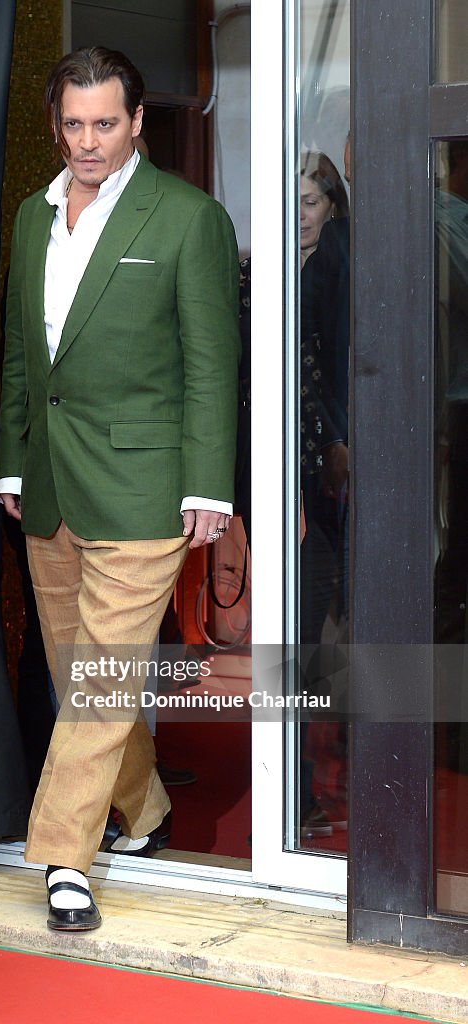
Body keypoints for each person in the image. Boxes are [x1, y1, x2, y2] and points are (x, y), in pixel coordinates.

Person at [0, 46, 240, 931]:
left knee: (98, 685)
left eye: (105, 123)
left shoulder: (187, 218)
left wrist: (209, 483)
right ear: (56, 124)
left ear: (138, 121)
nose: (87, 142)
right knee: (83, 677)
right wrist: (14, 461)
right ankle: (146, 810)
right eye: (72, 124)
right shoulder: (33, 216)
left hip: (146, 486)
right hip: (51, 484)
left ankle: (65, 855)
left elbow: (213, 363)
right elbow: (28, 355)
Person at [298, 147, 350, 840]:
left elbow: (344, 362)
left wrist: (340, 444)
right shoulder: (287, 264)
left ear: (332, 206)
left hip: (328, 459)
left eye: (309, 202)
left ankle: (317, 780)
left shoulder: (336, 262)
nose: (300, 216)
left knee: (323, 602)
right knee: (310, 615)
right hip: (302, 463)